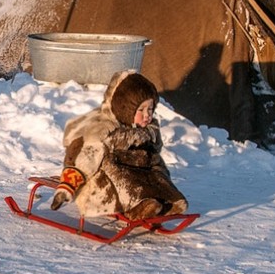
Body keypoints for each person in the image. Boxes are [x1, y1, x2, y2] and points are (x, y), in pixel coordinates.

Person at [49, 69, 188, 221]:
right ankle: (135, 208)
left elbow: (155, 149)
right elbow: (83, 157)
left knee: (156, 166)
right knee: (121, 174)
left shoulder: (149, 129)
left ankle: (167, 199)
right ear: (125, 109)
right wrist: (67, 187)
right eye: (141, 110)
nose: (147, 115)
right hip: (101, 184)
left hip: (136, 171)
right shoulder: (103, 129)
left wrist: (150, 139)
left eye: (150, 109)